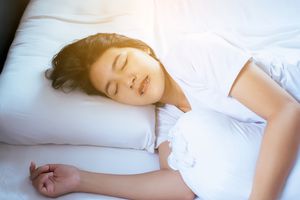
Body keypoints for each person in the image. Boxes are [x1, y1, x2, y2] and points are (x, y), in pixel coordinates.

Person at [29, 33, 300, 200]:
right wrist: (80, 179)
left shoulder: (191, 53)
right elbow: (183, 187)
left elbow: (286, 111)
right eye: (115, 88)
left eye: (123, 63)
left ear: (142, 49)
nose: (129, 80)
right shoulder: (167, 125)